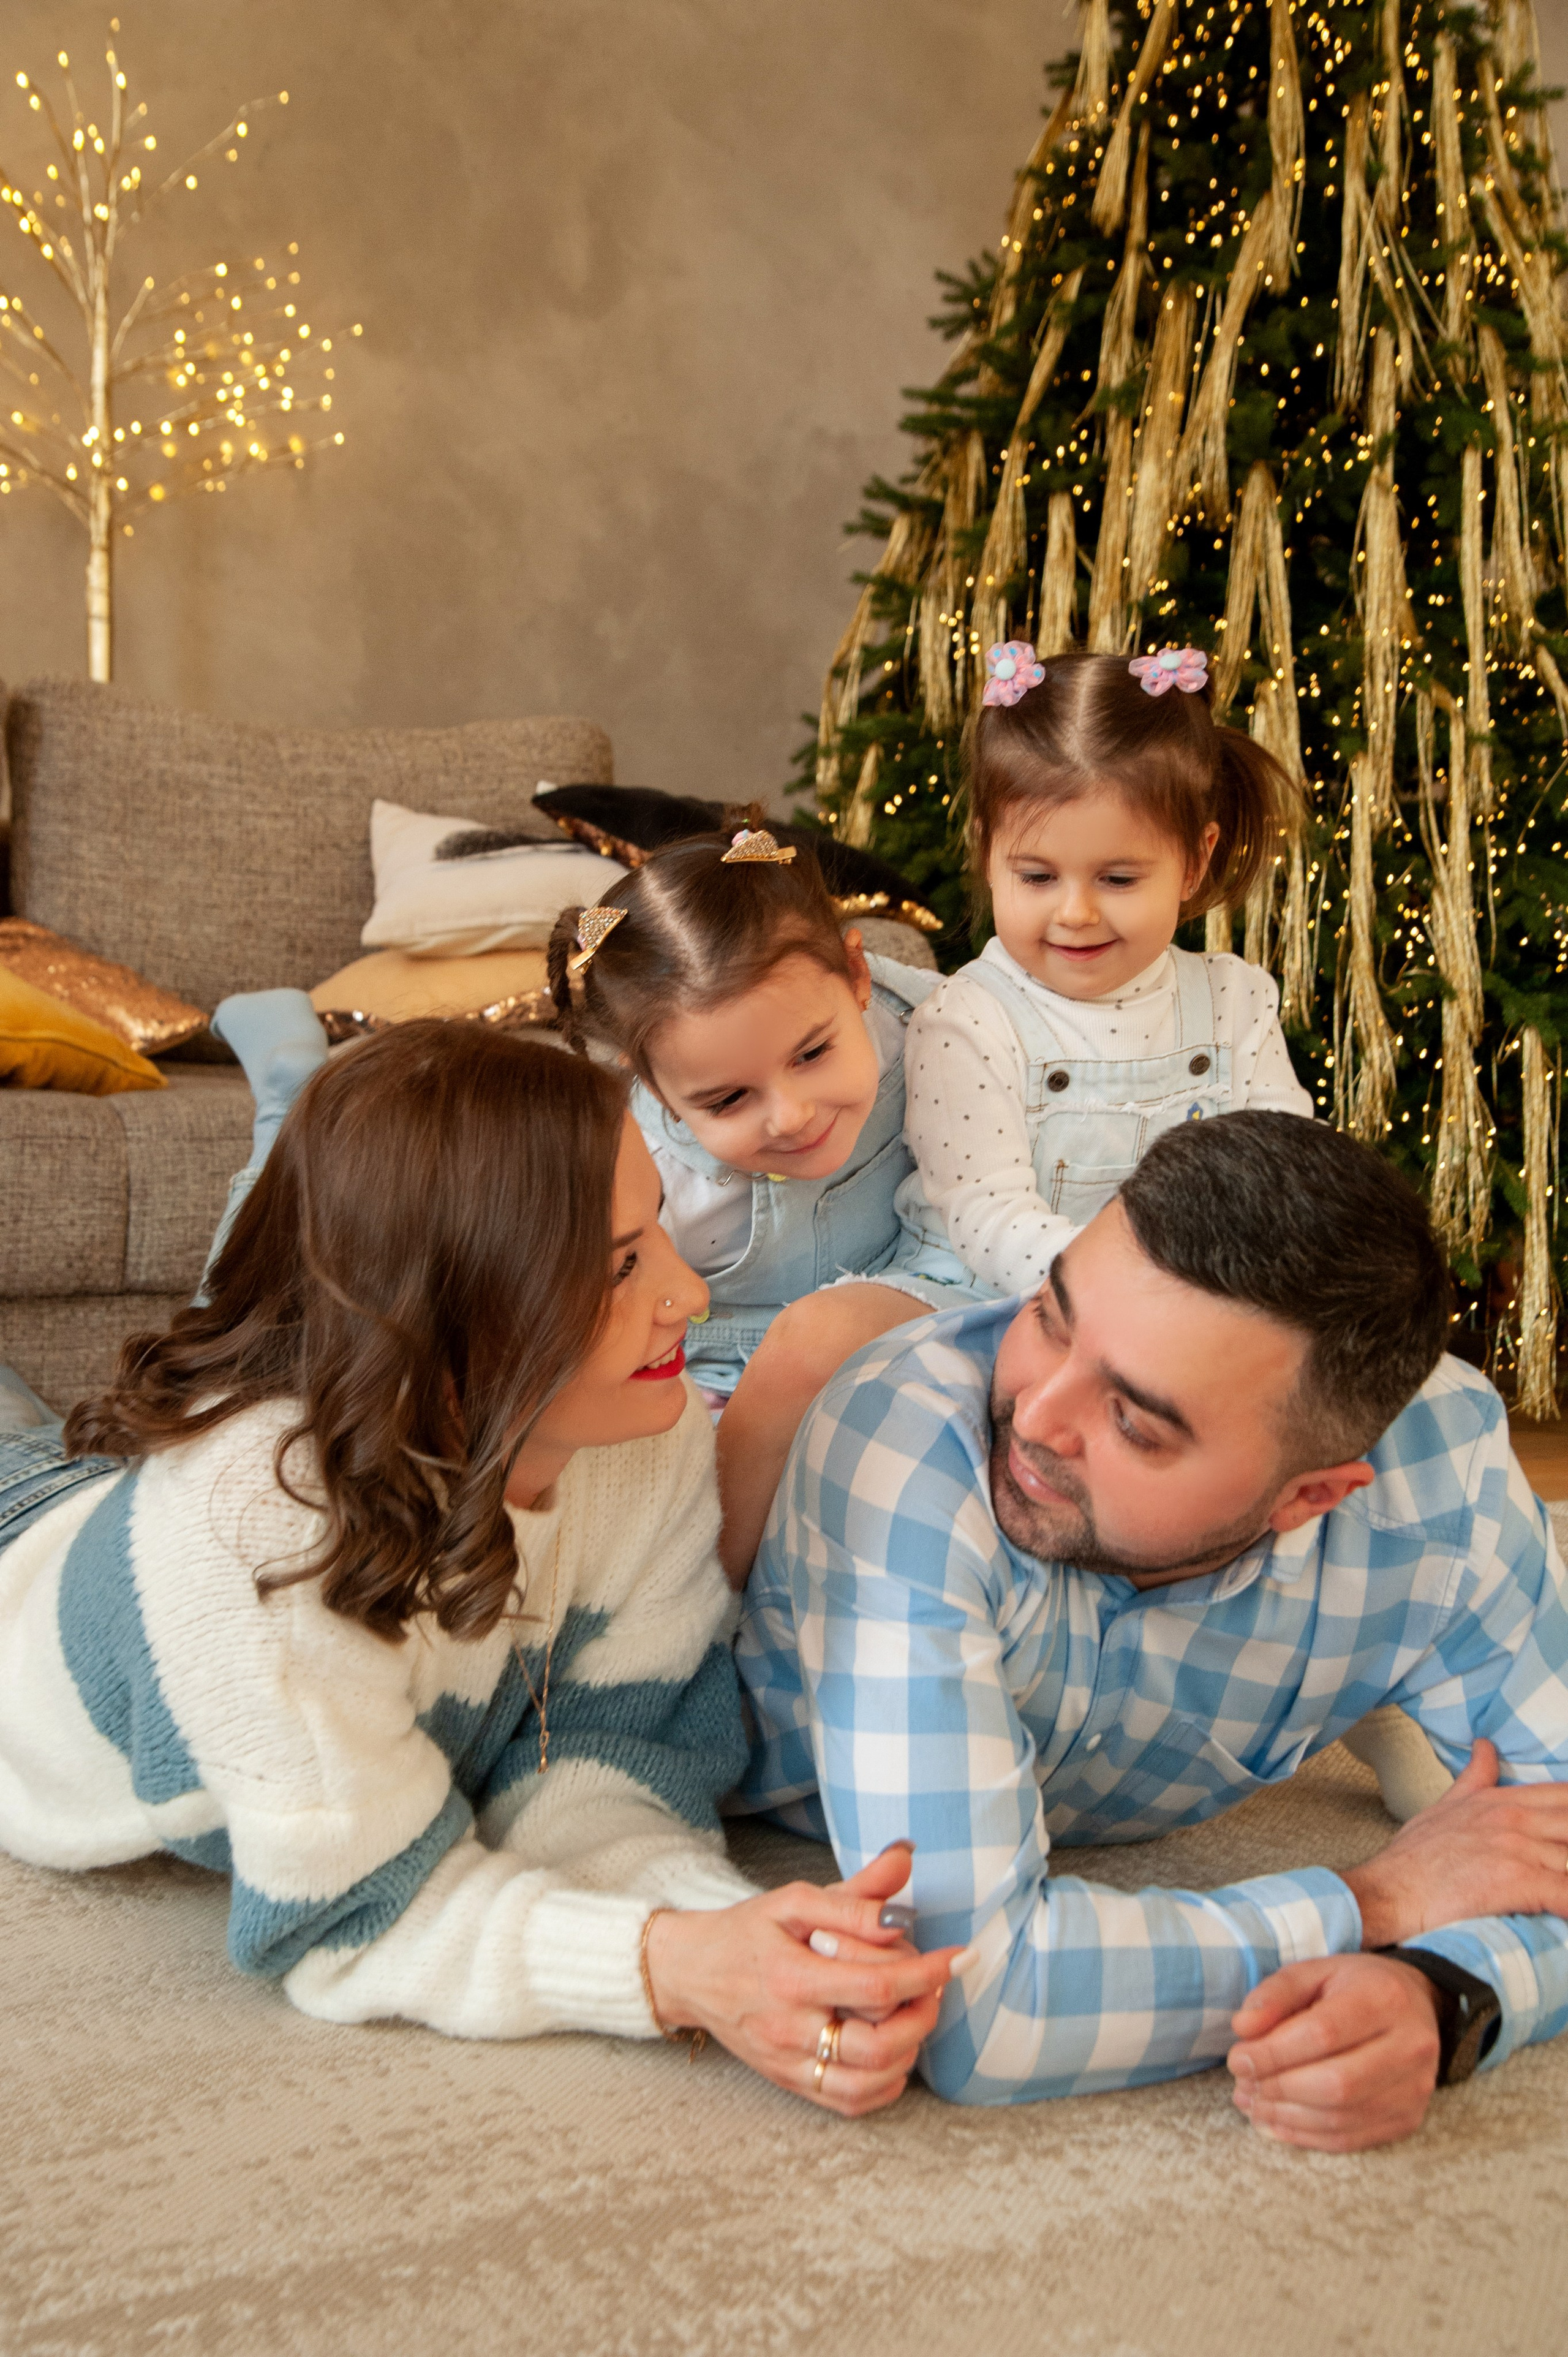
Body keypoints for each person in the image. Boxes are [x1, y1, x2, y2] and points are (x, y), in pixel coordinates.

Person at [0, 1021, 959, 2114]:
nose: (689, 1296)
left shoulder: (650, 1434)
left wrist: (725, 1937)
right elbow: (354, 1912)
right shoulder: (257, 1536)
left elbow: (600, 1755)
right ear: (453, 1313)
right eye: (621, 1264)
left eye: (663, 1233)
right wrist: (672, 1973)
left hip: (129, 1502)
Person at [734, 1111, 1568, 2149]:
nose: (1037, 1414)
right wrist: (1376, 1899)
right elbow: (982, 2007)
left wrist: (1447, 1997)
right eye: (1050, 1313)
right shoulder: (908, 1446)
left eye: (1135, 1421)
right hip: (761, 1745)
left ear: (1310, 1496)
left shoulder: (1445, 1474)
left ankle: (1389, 1697)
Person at [545, 811, 984, 1583]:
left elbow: (984, 1210)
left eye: (812, 1053)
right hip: (704, 1366)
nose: (791, 1115)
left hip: (920, 1295)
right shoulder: (625, 1152)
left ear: (857, 975)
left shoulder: (948, 1032)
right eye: (725, 1100)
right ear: (653, 1085)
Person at [895, 639, 1313, 1303]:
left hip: (1189, 1303)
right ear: (987, 852)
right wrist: (1139, 1297)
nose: (1076, 912)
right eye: (1036, 876)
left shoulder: (1234, 1001)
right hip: (983, 1300)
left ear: (1194, 862)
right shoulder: (967, 1019)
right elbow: (990, 1219)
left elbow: (1287, 1168)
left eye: (1117, 878)